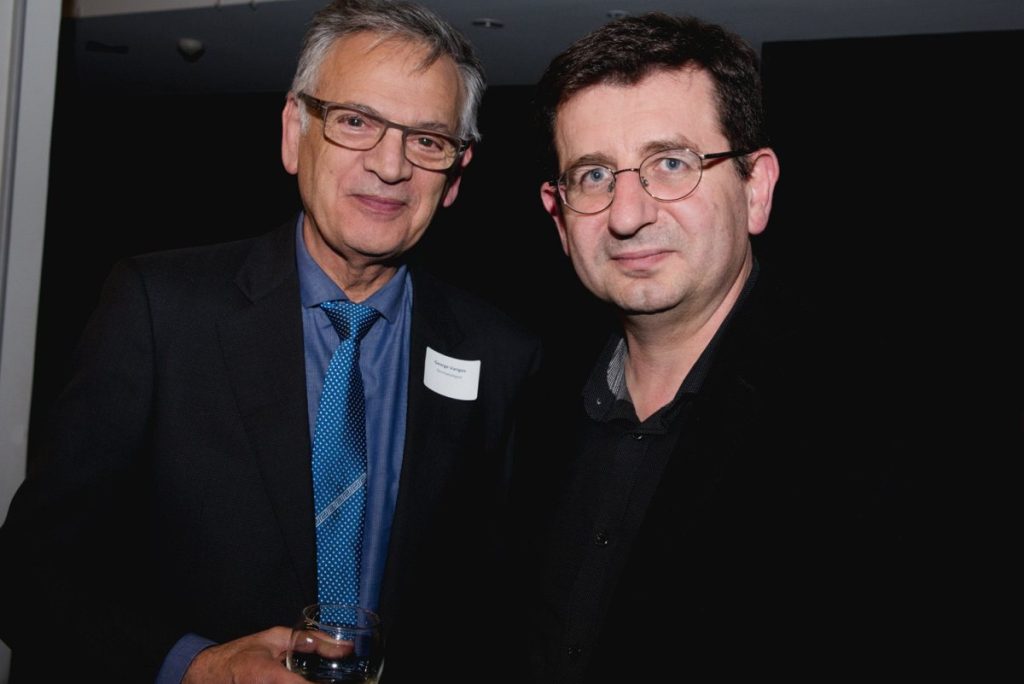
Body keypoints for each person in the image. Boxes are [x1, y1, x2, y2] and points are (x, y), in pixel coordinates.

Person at [0, 1, 540, 682]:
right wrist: (194, 665)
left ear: (454, 175)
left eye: (428, 139)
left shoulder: (499, 355)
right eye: (356, 121)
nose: (390, 165)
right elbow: (28, 574)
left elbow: (493, 602)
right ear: (294, 132)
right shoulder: (162, 312)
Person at [513, 12, 917, 682]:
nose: (626, 214)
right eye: (594, 175)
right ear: (559, 218)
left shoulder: (869, 420)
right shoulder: (528, 402)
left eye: (671, 164)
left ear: (755, 189)